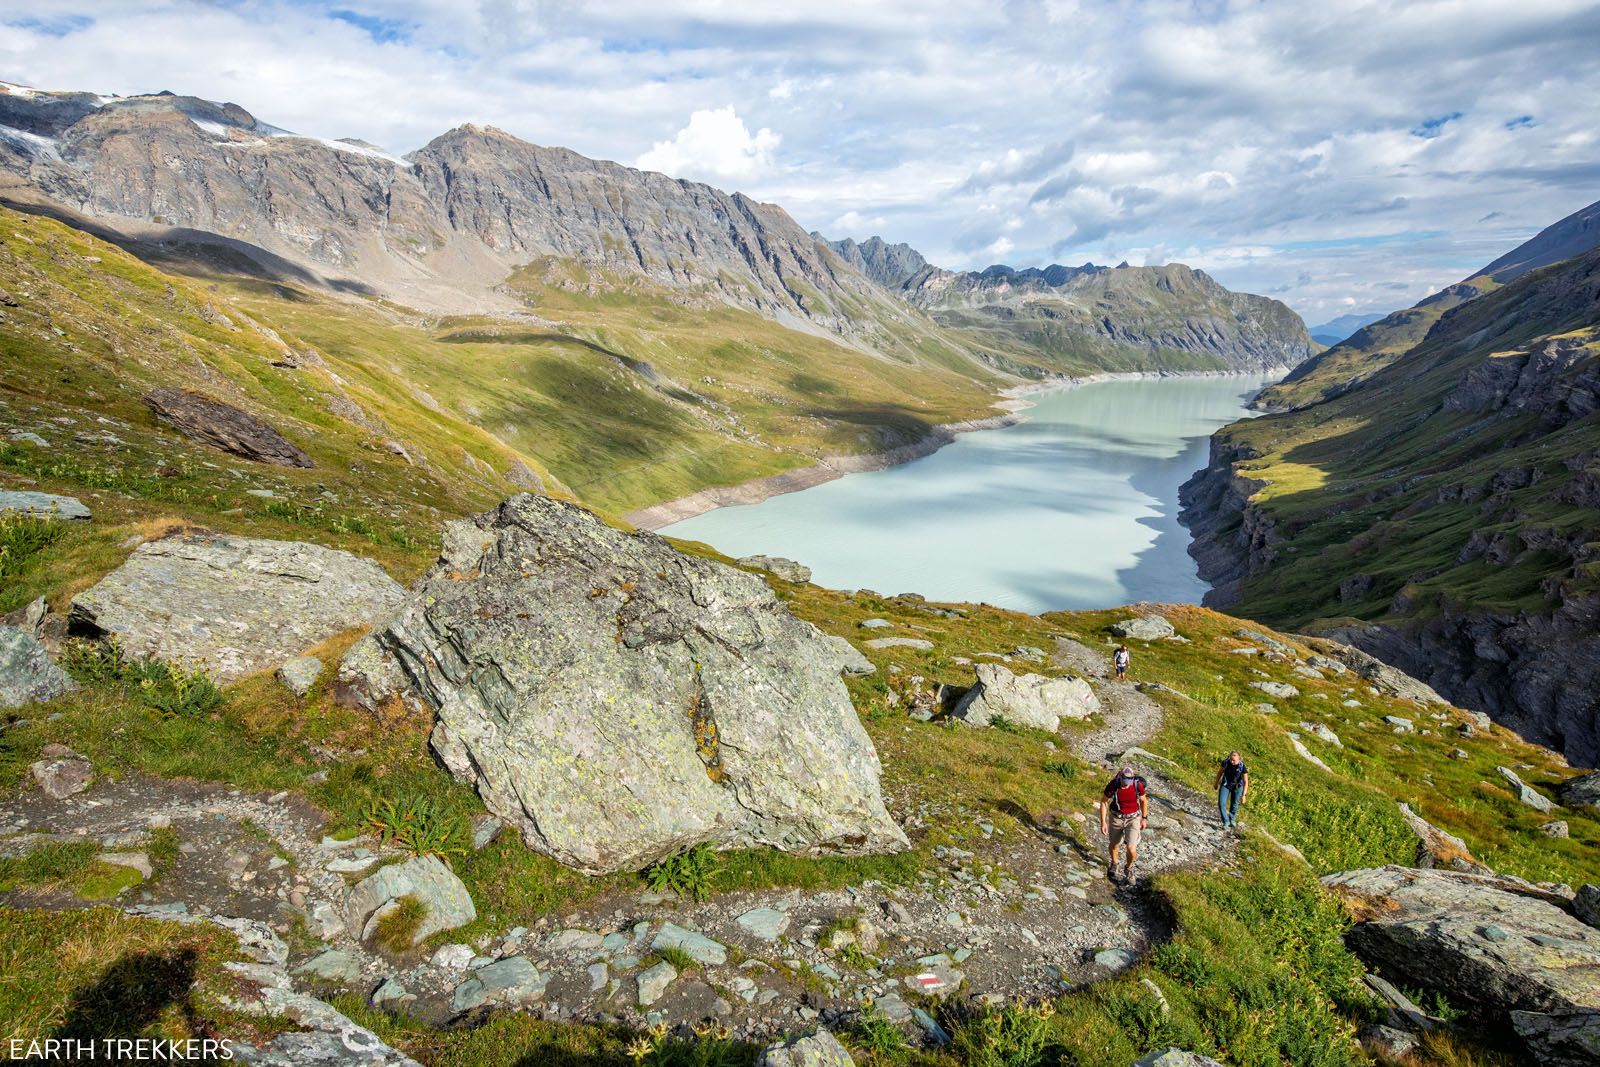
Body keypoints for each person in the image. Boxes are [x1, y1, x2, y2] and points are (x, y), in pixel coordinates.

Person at [1099, 765, 1148, 884]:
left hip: (1133, 818)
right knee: (1115, 845)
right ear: (1120, 777)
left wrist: (1144, 818)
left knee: (1131, 847)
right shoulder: (1113, 785)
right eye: (1124, 782)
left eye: (1129, 782)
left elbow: (1143, 800)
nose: (1126, 784)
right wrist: (1103, 822)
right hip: (1116, 817)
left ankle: (1129, 868)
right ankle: (1114, 863)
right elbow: (1104, 801)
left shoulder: (1137, 785)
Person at [1214, 750, 1249, 829]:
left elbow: (1246, 782)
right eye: (1231, 759)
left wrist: (1244, 795)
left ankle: (1232, 819)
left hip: (1237, 787)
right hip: (1226, 785)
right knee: (1221, 803)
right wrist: (1216, 783)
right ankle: (1226, 821)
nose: (1232, 762)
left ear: (1239, 760)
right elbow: (1220, 772)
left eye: (1234, 760)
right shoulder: (1225, 762)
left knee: (1234, 804)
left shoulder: (1242, 767)